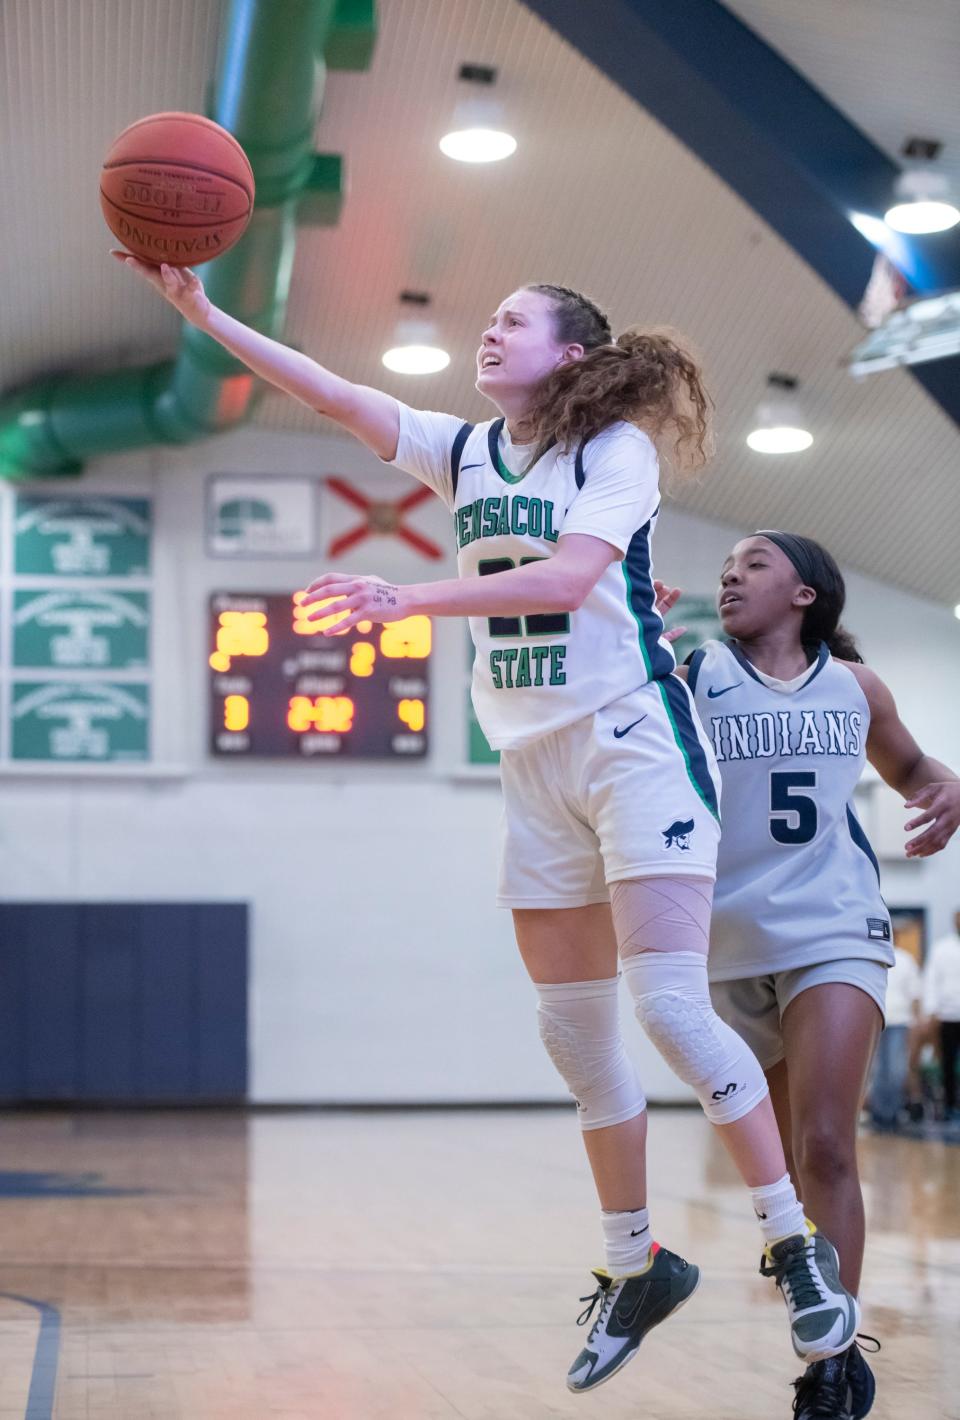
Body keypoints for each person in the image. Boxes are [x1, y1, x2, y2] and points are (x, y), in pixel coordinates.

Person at [115, 253, 858, 1395]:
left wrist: (404, 599)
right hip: (532, 763)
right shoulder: (463, 448)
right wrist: (204, 310)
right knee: (573, 1036)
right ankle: (636, 1262)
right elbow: (329, 391)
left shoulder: (615, 451)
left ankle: (792, 1245)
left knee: (666, 1005)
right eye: (492, 319)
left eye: (516, 321)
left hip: (634, 743)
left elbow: (564, 581)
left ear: (570, 352)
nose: (490, 332)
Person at [664, 532, 960, 1419]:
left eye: (753, 564)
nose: (730, 575)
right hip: (721, 938)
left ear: (806, 593)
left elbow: (911, 770)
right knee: (791, 1169)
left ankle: (833, 1360)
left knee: (829, 1141)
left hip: (835, 923)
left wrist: (947, 787)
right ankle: (808, 1286)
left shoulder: (856, 686)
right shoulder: (692, 670)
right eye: (725, 567)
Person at [868, 938, 920, 1130]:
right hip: (877, 1019)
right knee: (878, 1069)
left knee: (896, 1069)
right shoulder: (872, 955)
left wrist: (915, 1021)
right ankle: (879, 1114)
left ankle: (893, 1112)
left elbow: (915, 993)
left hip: (899, 1022)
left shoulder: (906, 959)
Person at [922, 911, 960, 1120]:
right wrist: (932, 1011)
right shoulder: (942, 949)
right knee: (947, 1062)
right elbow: (931, 981)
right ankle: (950, 1106)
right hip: (947, 1015)